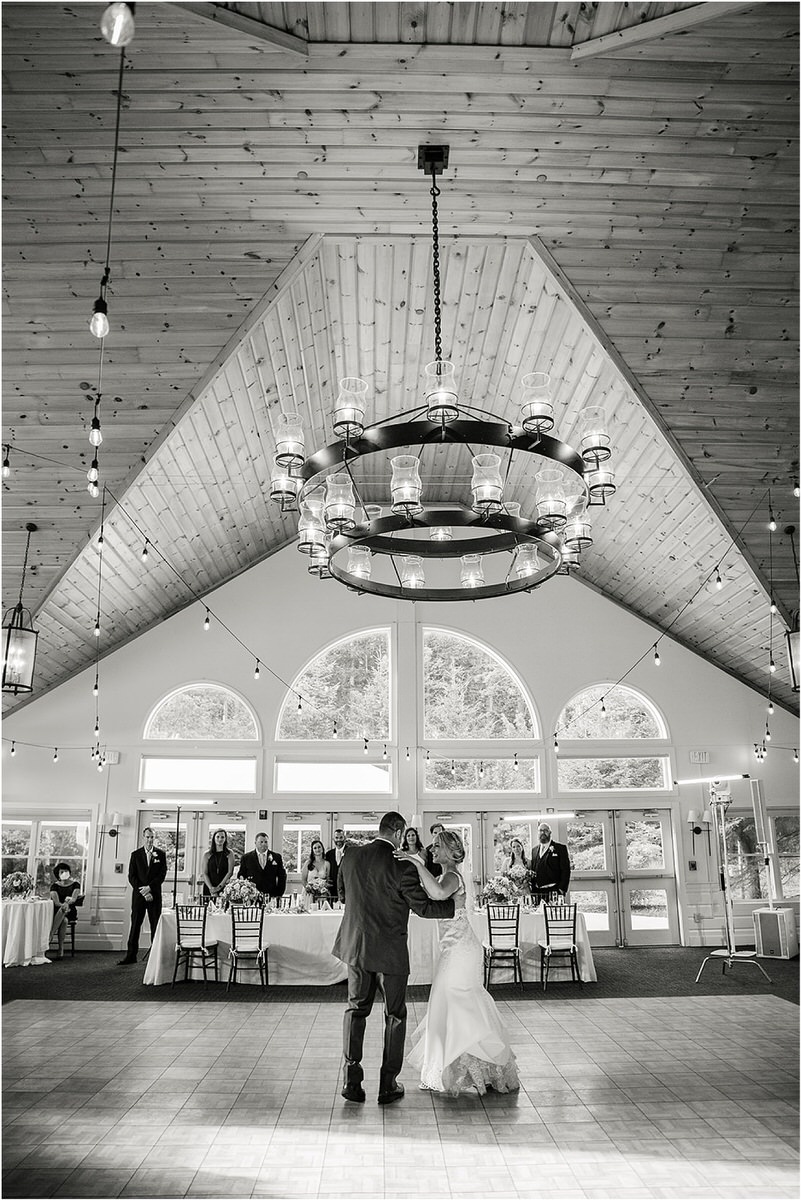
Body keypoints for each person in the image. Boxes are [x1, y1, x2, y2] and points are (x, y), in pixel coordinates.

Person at [332, 811, 454, 1106]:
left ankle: (351, 1081)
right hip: (390, 951)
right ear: (399, 833)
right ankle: (388, 1085)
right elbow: (423, 908)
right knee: (395, 1015)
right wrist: (454, 906)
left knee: (356, 1010)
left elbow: (342, 895)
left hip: (357, 947)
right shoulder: (403, 866)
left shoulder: (350, 856)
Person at [396, 829, 519, 1097]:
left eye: (437, 845)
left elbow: (439, 894)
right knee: (451, 1004)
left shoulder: (451, 877)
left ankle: (474, 1067)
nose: (432, 849)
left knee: (454, 1002)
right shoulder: (445, 875)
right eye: (432, 845)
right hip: (453, 948)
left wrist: (416, 863)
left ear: (451, 852)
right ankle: (464, 1070)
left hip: (461, 950)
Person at [118, 827, 167, 965]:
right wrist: (144, 892)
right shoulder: (135, 855)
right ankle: (131, 956)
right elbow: (132, 876)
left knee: (155, 926)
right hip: (139, 896)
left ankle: (155, 957)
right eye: (147, 837)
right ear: (143, 837)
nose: (150, 840)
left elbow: (162, 875)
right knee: (135, 925)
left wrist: (150, 888)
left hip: (154, 895)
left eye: (152, 837)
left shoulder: (161, 854)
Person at [530, 821, 570, 903]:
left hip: (554, 891)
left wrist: (561, 889)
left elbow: (566, 870)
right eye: (540, 830)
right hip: (538, 892)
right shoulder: (534, 851)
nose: (543, 833)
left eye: (545, 830)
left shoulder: (560, 848)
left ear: (550, 832)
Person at [238, 832, 287, 900]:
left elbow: (282, 876)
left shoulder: (276, 857)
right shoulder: (246, 858)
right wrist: (245, 891)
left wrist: (279, 893)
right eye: (261, 842)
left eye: (266, 842)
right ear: (255, 843)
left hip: (271, 895)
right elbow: (241, 875)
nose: (264, 844)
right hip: (252, 896)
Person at [49, 862, 81, 959]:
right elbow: (56, 902)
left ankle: (51, 934)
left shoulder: (75, 884)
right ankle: (61, 948)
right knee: (64, 920)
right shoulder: (54, 886)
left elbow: (73, 899)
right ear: (58, 874)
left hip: (71, 911)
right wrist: (64, 905)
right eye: (62, 872)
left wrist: (67, 904)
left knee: (65, 910)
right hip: (57, 911)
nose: (64, 873)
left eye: (66, 871)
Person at [201, 829, 235, 901]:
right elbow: (204, 873)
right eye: (218, 837)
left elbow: (230, 872)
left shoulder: (230, 853)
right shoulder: (207, 854)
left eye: (222, 837)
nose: (220, 839)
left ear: (225, 839)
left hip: (224, 888)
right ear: (214, 838)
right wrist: (212, 889)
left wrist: (218, 888)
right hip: (209, 887)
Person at [324, 828, 347, 897]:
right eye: (336, 838)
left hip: (346, 889)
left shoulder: (350, 852)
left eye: (341, 837)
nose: (339, 840)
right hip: (331, 891)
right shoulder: (328, 854)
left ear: (344, 838)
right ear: (333, 839)